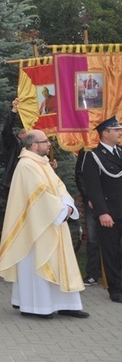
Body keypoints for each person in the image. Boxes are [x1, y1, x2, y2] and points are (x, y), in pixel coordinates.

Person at [0, 130, 88, 319]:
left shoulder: (42, 163)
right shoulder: (27, 165)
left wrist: (68, 205)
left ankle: (66, 303)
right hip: (35, 227)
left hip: (53, 220)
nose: (49, 145)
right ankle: (37, 306)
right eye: (45, 142)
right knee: (39, 262)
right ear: (34, 145)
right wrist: (61, 209)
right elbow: (38, 195)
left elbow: (59, 186)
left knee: (61, 262)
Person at [81, 116, 122, 303]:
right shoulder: (93, 156)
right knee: (111, 251)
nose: (120, 132)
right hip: (110, 212)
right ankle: (115, 289)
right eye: (116, 130)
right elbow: (94, 188)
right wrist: (102, 212)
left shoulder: (120, 153)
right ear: (105, 133)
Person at [75, 149, 100, 285]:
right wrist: (87, 196)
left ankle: (112, 274)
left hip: (113, 200)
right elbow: (79, 175)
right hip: (92, 200)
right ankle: (93, 274)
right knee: (93, 237)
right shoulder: (86, 151)